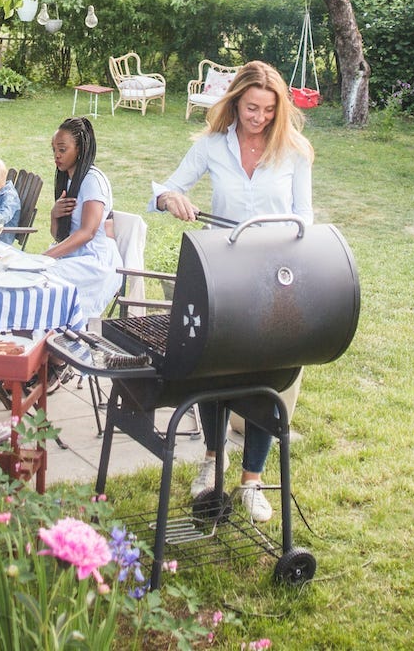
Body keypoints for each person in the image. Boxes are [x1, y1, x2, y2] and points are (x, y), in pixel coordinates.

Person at [150, 60, 315, 523]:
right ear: (235, 102)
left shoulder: (294, 152)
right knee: (216, 372)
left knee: (267, 376)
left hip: (274, 276)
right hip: (222, 273)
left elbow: (306, 218)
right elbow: (165, 189)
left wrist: (280, 232)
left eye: (266, 109)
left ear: (279, 109)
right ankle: (211, 461)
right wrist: (170, 199)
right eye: (249, 107)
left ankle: (252, 482)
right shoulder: (211, 147)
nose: (257, 117)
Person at [42, 117, 122, 323]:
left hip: (96, 263)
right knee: (38, 278)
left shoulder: (92, 180)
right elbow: (60, 236)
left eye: (62, 149)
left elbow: (87, 233)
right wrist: (54, 214)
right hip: (76, 257)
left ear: (80, 149)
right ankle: (46, 341)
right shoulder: (67, 179)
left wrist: (43, 258)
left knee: (42, 277)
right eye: (54, 150)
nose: (56, 156)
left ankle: (57, 341)